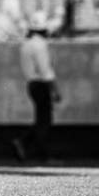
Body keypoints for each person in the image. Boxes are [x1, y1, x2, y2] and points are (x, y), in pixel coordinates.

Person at [11, 11, 62, 163]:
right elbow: (45, 71)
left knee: (41, 120)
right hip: (41, 84)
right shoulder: (40, 45)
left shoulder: (26, 44)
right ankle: (42, 154)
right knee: (44, 121)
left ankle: (24, 143)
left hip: (32, 84)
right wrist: (55, 89)